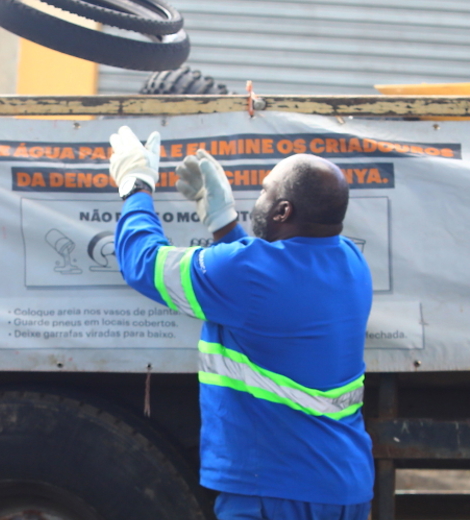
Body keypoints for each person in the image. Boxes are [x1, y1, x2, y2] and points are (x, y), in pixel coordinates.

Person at [108, 126, 374, 520]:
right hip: (345, 487)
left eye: (266, 191)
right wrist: (224, 225)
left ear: (284, 211)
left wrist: (135, 185)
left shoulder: (249, 274)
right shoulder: (351, 262)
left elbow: (143, 263)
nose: (258, 201)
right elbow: (263, 286)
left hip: (274, 491)